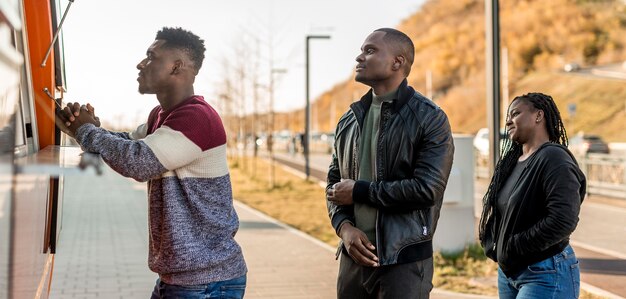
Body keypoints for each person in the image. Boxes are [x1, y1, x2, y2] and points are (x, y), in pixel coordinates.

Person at [58, 27, 247, 298]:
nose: (140, 63)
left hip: (206, 283)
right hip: (181, 279)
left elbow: (139, 162)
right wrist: (86, 127)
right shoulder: (162, 115)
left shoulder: (197, 118)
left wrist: (86, 131)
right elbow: (129, 144)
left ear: (176, 66)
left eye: (150, 56)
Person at [325, 28, 454, 298]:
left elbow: (427, 189)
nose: (359, 57)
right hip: (353, 259)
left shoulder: (430, 118)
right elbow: (333, 186)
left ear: (398, 62)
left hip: (403, 262)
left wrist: (361, 191)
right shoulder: (349, 119)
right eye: (361, 50)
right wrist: (344, 228)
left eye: (370, 51)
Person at [478, 92, 586, 298]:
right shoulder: (513, 161)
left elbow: (562, 220)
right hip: (509, 273)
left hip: (545, 272)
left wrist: (514, 246)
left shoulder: (554, 158)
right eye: (508, 116)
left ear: (538, 116)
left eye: (516, 113)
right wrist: (494, 242)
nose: (508, 121)